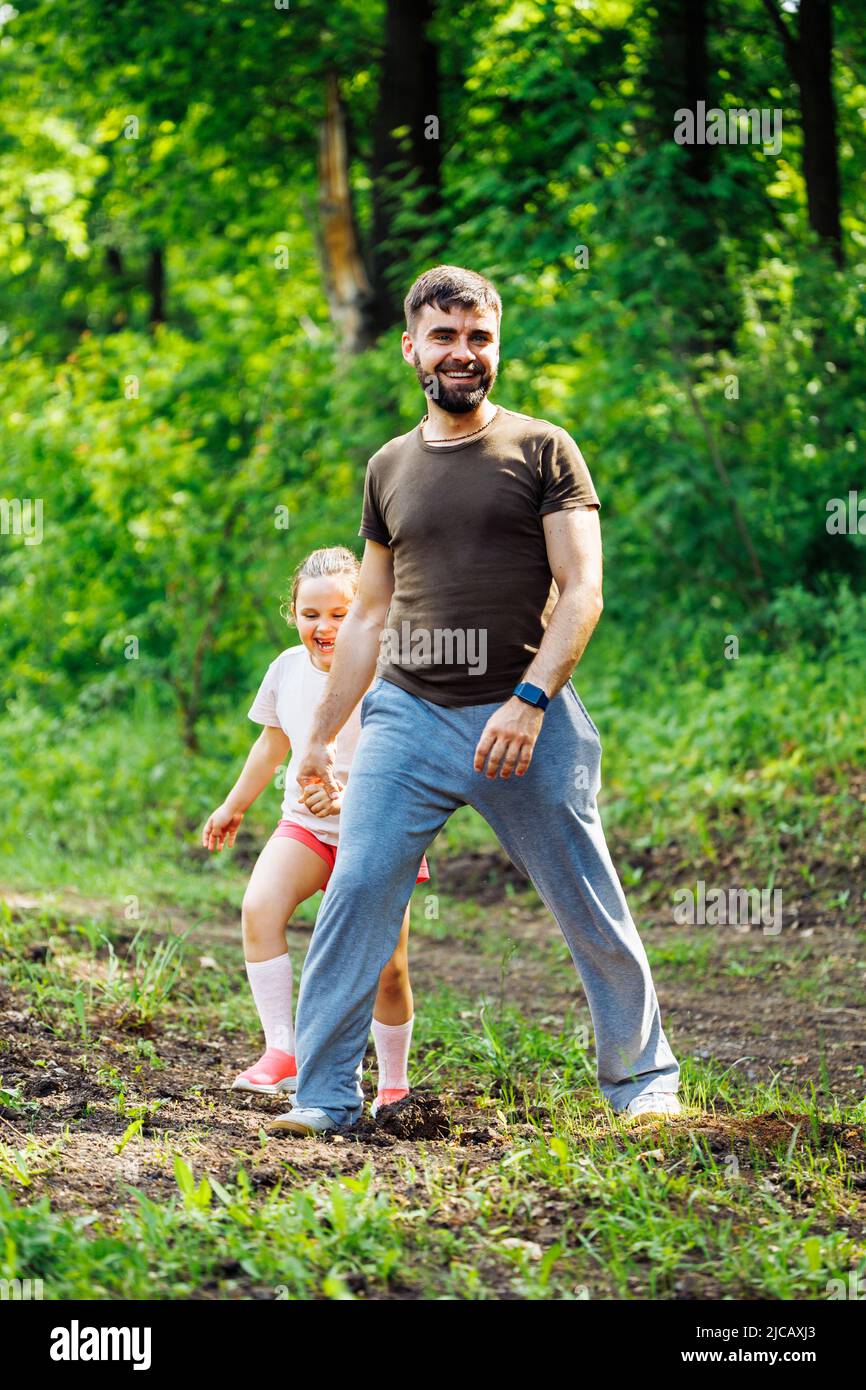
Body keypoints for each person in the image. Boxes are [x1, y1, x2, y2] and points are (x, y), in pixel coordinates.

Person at [268, 264, 681, 1137]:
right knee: (357, 895)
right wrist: (317, 738)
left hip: (521, 719)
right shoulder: (388, 467)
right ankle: (326, 1097)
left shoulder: (543, 449)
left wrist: (531, 700)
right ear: (411, 346)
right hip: (406, 716)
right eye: (445, 336)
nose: (464, 352)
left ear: (497, 346)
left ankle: (643, 1080)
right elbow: (372, 614)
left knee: (587, 898)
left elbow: (582, 590)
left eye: (480, 337)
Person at [201, 545, 428, 1114]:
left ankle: (393, 1083)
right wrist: (234, 805)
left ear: (368, 611)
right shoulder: (285, 669)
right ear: (293, 613)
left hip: (376, 835)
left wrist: (352, 797)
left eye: (340, 614)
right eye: (310, 614)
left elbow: (409, 758)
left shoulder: (387, 669)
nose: (324, 627)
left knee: (388, 972)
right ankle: (284, 1049)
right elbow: (271, 743)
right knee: (259, 907)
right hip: (303, 828)